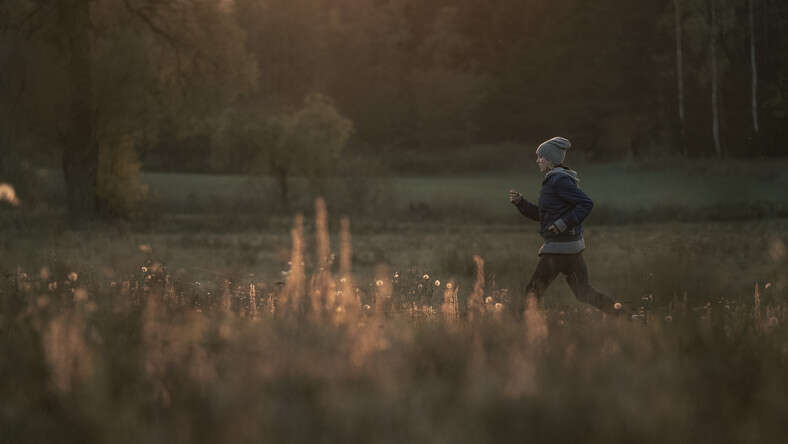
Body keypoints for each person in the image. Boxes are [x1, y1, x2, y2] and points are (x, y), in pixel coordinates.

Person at [509, 137, 618, 315]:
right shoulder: (555, 179)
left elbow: (586, 203)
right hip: (571, 249)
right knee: (583, 292)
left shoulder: (559, 180)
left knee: (532, 293)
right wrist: (521, 203)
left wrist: (562, 224)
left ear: (550, 159)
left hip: (558, 250)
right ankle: (624, 315)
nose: (537, 161)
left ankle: (522, 327)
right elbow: (543, 216)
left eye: (541, 157)